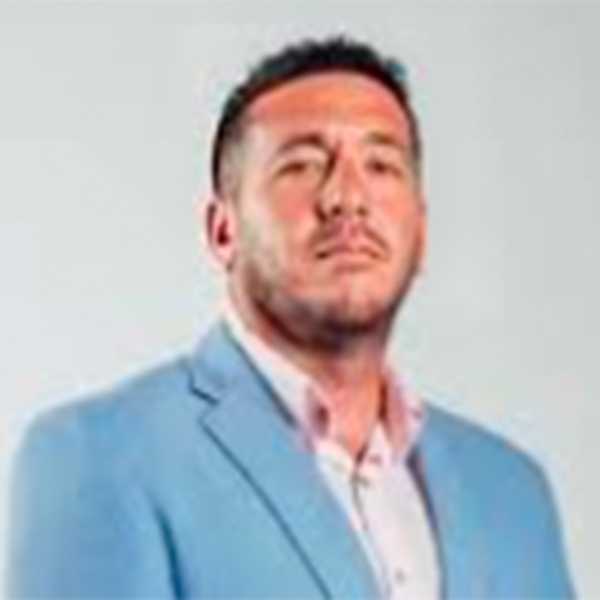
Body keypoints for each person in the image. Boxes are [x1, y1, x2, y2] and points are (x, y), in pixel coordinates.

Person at [7, 36, 575, 599]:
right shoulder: (100, 458)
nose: (347, 197)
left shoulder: (513, 492)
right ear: (223, 230)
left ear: (420, 233)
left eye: (380, 165)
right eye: (301, 165)